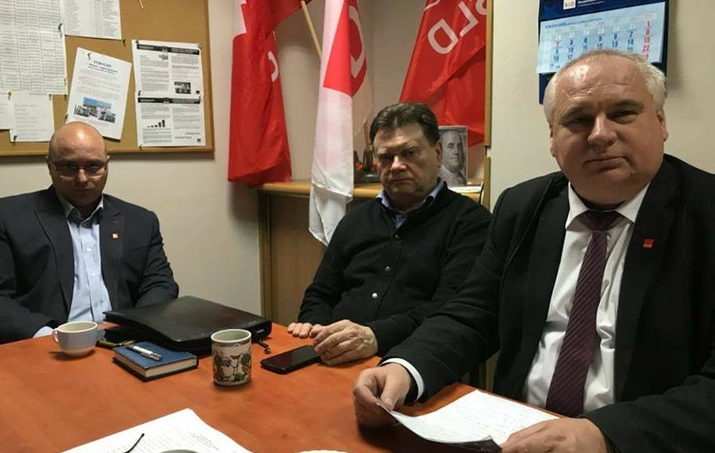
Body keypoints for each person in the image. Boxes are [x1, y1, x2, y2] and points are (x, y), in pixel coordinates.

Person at [352, 50, 715, 453]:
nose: (600, 134)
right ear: (552, 138)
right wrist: (406, 367)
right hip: (514, 437)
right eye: (578, 120)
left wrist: (603, 434)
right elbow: (473, 314)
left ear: (661, 123)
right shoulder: (523, 207)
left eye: (623, 113)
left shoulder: (706, 213)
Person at [0, 122, 179, 353]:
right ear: (50, 166)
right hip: (37, 345)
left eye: (93, 166)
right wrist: (51, 337)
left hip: (117, 346)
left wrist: (133, 328)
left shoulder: (140, 220)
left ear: (107, 165)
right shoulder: (5, 216)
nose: (82, 178)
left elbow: (160, 284)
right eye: (69, 166)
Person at [287, 102, 490, 365]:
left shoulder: (470, 222)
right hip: (333, 356)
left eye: (409, 153)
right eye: (385, 157)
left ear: (438, 153)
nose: (396, 166)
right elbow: (320, 293)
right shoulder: (356, 219)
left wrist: (375, 336)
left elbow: (450, 308)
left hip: (410, 364)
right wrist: (316, 328)